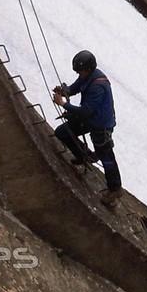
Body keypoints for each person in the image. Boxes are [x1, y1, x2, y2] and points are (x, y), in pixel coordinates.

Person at [53, 50, 123, 206]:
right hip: (90, 119)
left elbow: (86, 111)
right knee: (63, 132)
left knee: (107, 158)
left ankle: (115, 189)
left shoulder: (98, 86)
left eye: (81, 71)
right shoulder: (88, 76)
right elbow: (77, 87)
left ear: (89, 69)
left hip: (100, 125)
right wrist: (66, 91)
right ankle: (84, 155)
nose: (80, 74)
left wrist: (64, 104)